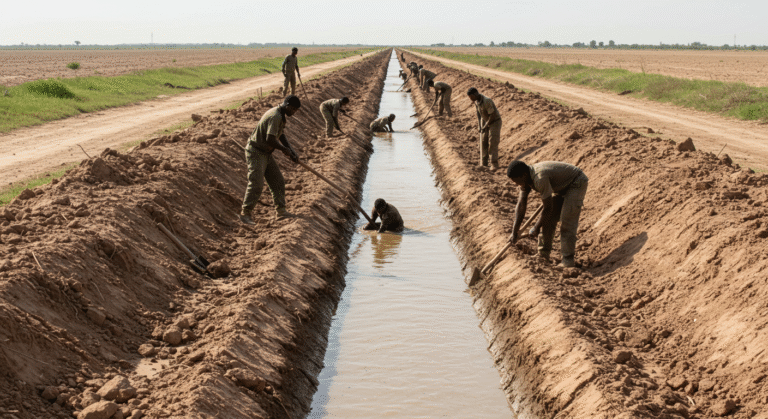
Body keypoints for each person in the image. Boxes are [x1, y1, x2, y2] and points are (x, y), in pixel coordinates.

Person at [506, 160, 589, 268]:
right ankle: (543, 254)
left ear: (524, 175)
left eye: (518, 182)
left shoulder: (540, 178)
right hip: (562, 187)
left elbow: (548, 207)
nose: (517, 185)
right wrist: (514, 231)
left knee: (567, 220)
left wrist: (536, 228)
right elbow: (521, 204)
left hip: (576, 182)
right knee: (548, 219)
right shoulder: (526, 179)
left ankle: (568, 260)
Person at [240, 95, 302, 224]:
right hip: (256, 152)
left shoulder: (280, 115)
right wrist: (283, 149)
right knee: (256, 184)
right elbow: (270, 138)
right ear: (288, 106)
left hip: (266, 153)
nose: (294, 112)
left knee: (278, 181)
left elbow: (281, 134)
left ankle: (281, 211)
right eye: (294, 109)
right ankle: (245, 213)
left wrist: (291, 151)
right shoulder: (276, 116)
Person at [467, 87, 502, 170]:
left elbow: (492, 116)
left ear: (476, 94)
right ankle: (484, 163)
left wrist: (485, 126)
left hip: (495, 122)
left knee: (492, 141)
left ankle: (494, 164)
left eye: (472, 97)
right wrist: (480, 126)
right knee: (483, 141)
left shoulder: (487, 101)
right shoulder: (476, 101)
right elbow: (479, 115)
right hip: (485, 120)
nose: (471, 99)